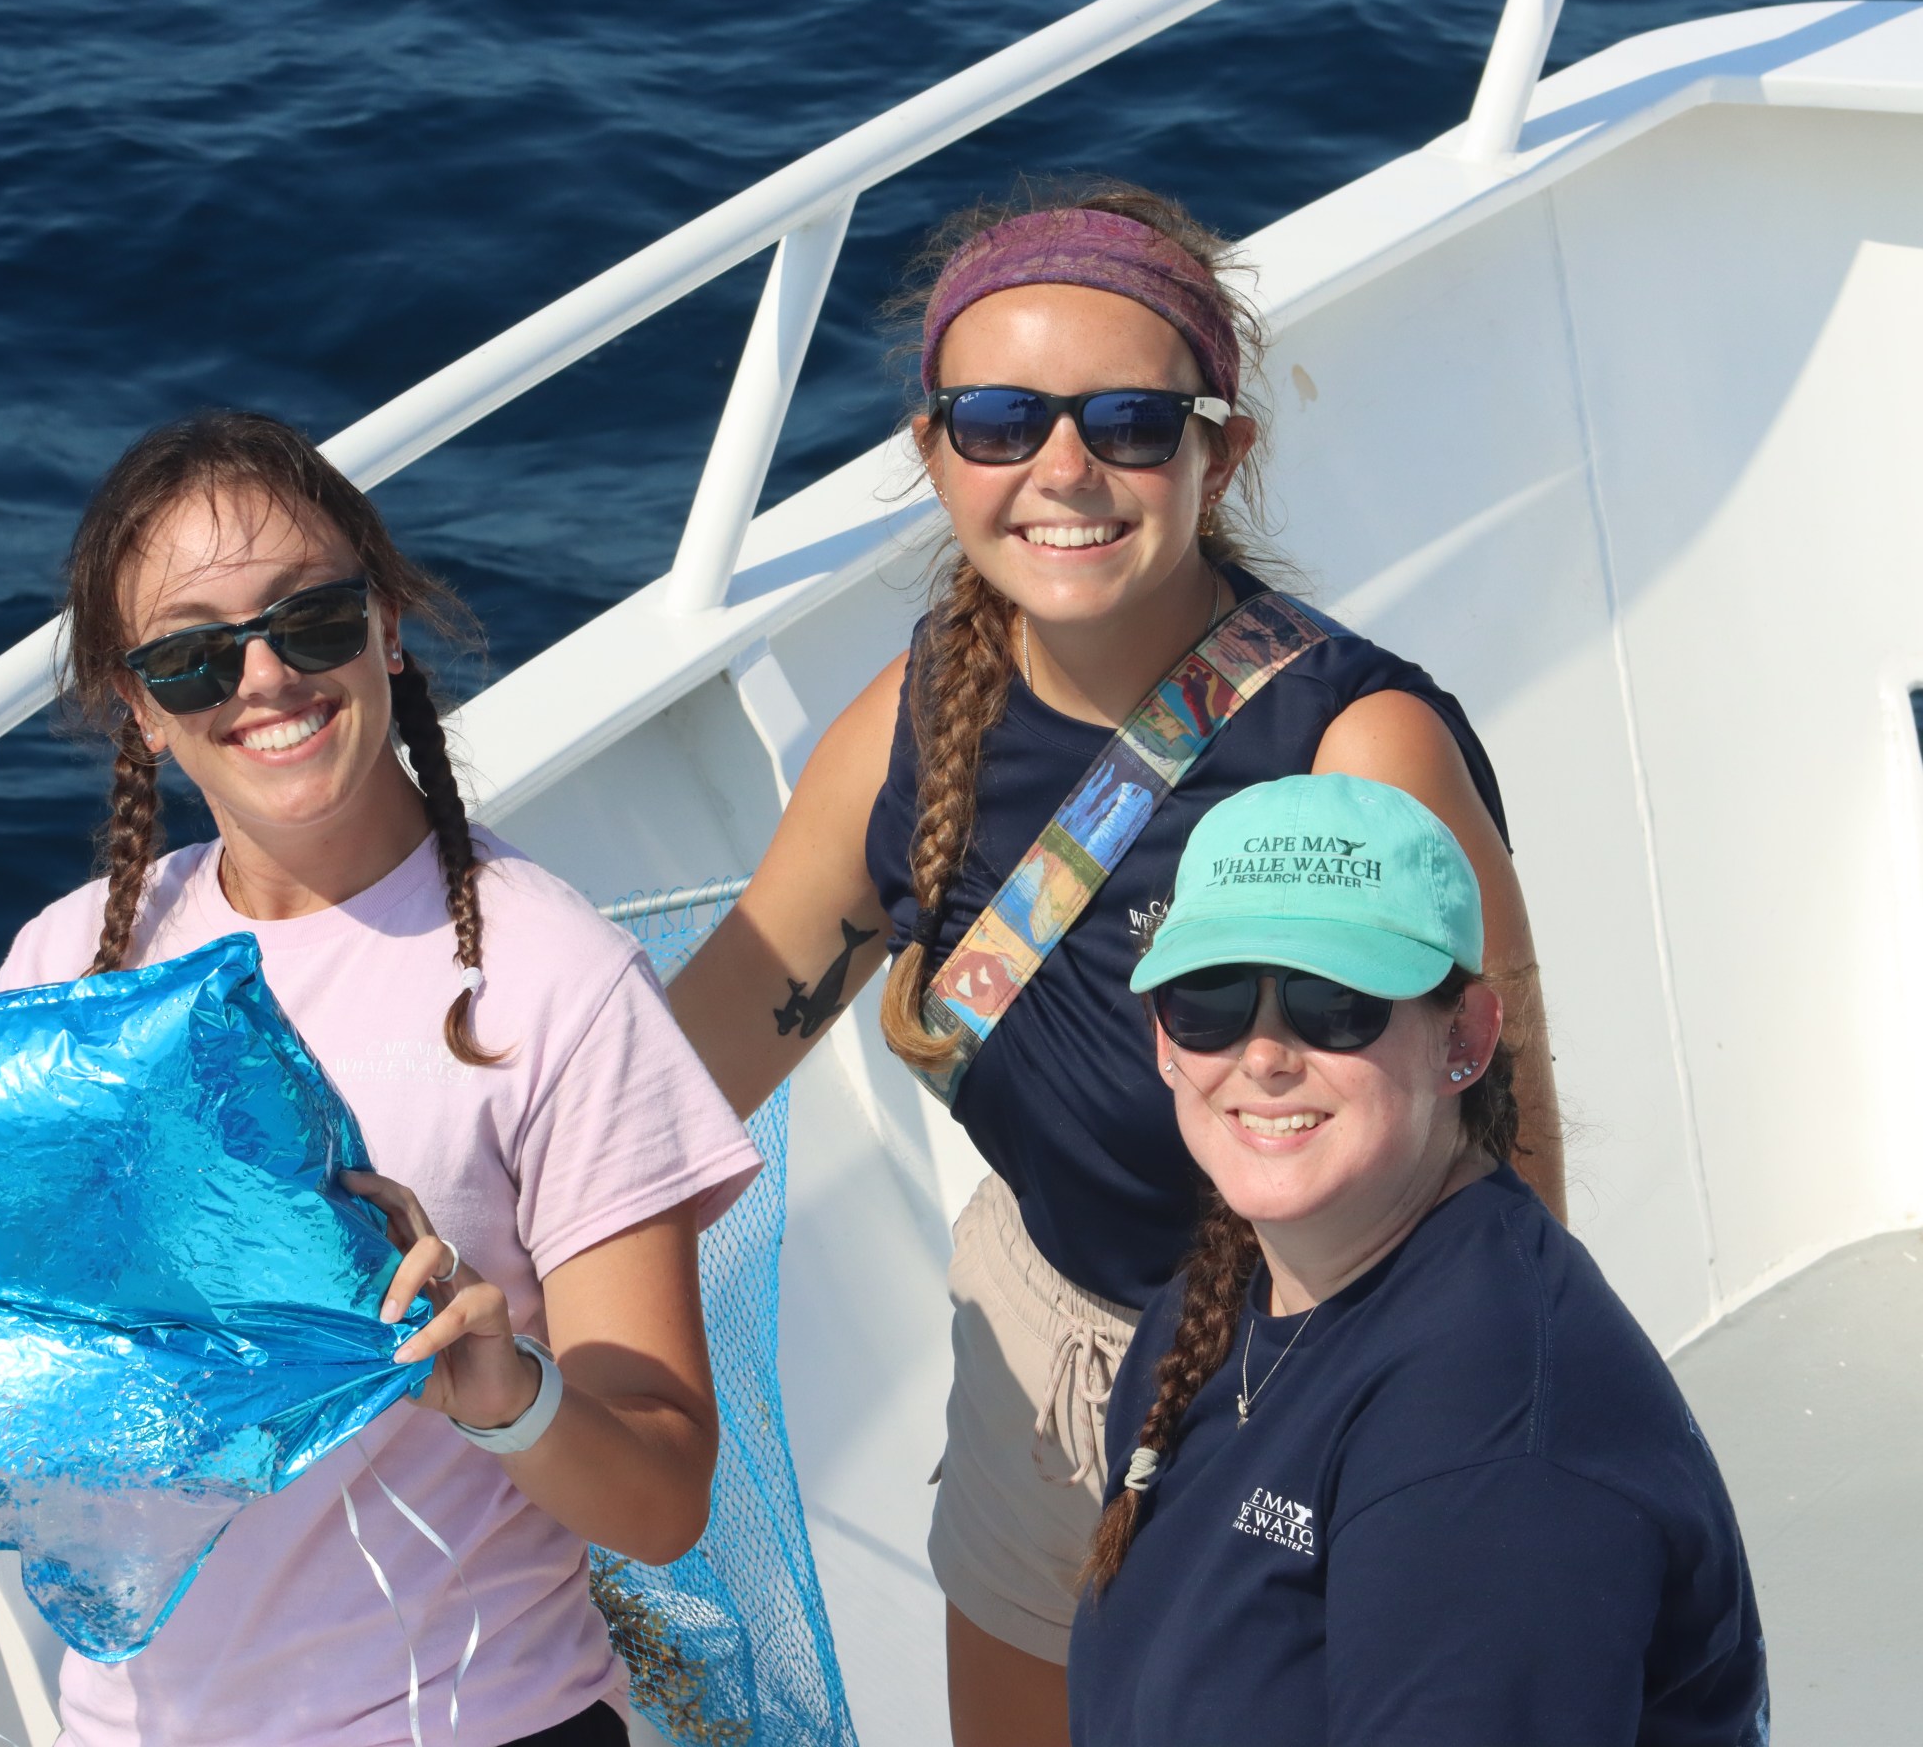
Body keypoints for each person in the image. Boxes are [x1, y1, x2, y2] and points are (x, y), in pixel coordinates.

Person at [667, 183, 1565, 1745]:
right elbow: (684, 1074)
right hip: (1041, 1349)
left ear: (1224, 450)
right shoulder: (906, 723)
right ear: (936, 450)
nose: (1061, 470)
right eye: (1001, 419)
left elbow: (1512, 1144)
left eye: (1133, 422)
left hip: (1313, 1388)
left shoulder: (1358, 748)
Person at [0, 410, 760, 1747]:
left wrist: (507, 1394)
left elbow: (665, 1496)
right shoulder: (69, 962)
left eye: (314, 620)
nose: (266, 677)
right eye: (194, 654)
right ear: (142, 710)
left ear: (388, 627)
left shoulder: (554, 981)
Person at [1071, 772, 1765, 1746]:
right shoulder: (1212, 1305)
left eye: (1334, 1000)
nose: (1265, 1055)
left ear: (1466, 1037)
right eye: (1212, 998)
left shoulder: (1495, 1449)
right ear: (1163, 1039)